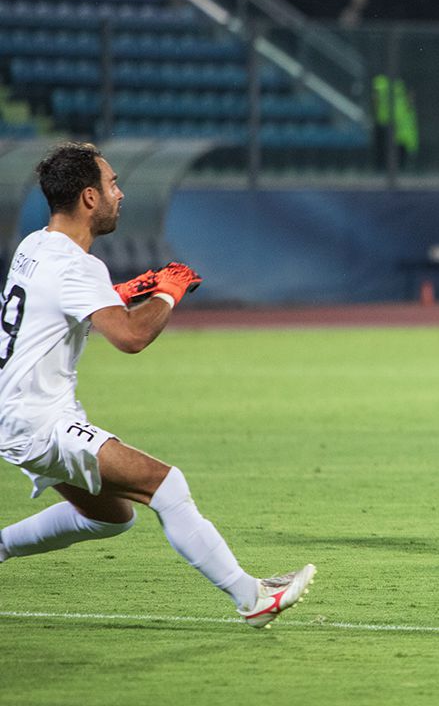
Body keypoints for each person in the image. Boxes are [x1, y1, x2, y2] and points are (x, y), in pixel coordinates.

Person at [0, 142, 315, 628]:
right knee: (165, 484)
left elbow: (58, 304)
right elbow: (129, 336)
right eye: (112, 184)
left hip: (20, 415)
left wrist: (121, 292)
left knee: (111, 516)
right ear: (88, 198)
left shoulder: (34, 245)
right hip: (39, 422)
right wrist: (168, 291)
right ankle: (251, 597)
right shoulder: (76, 266)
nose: (119, 194)